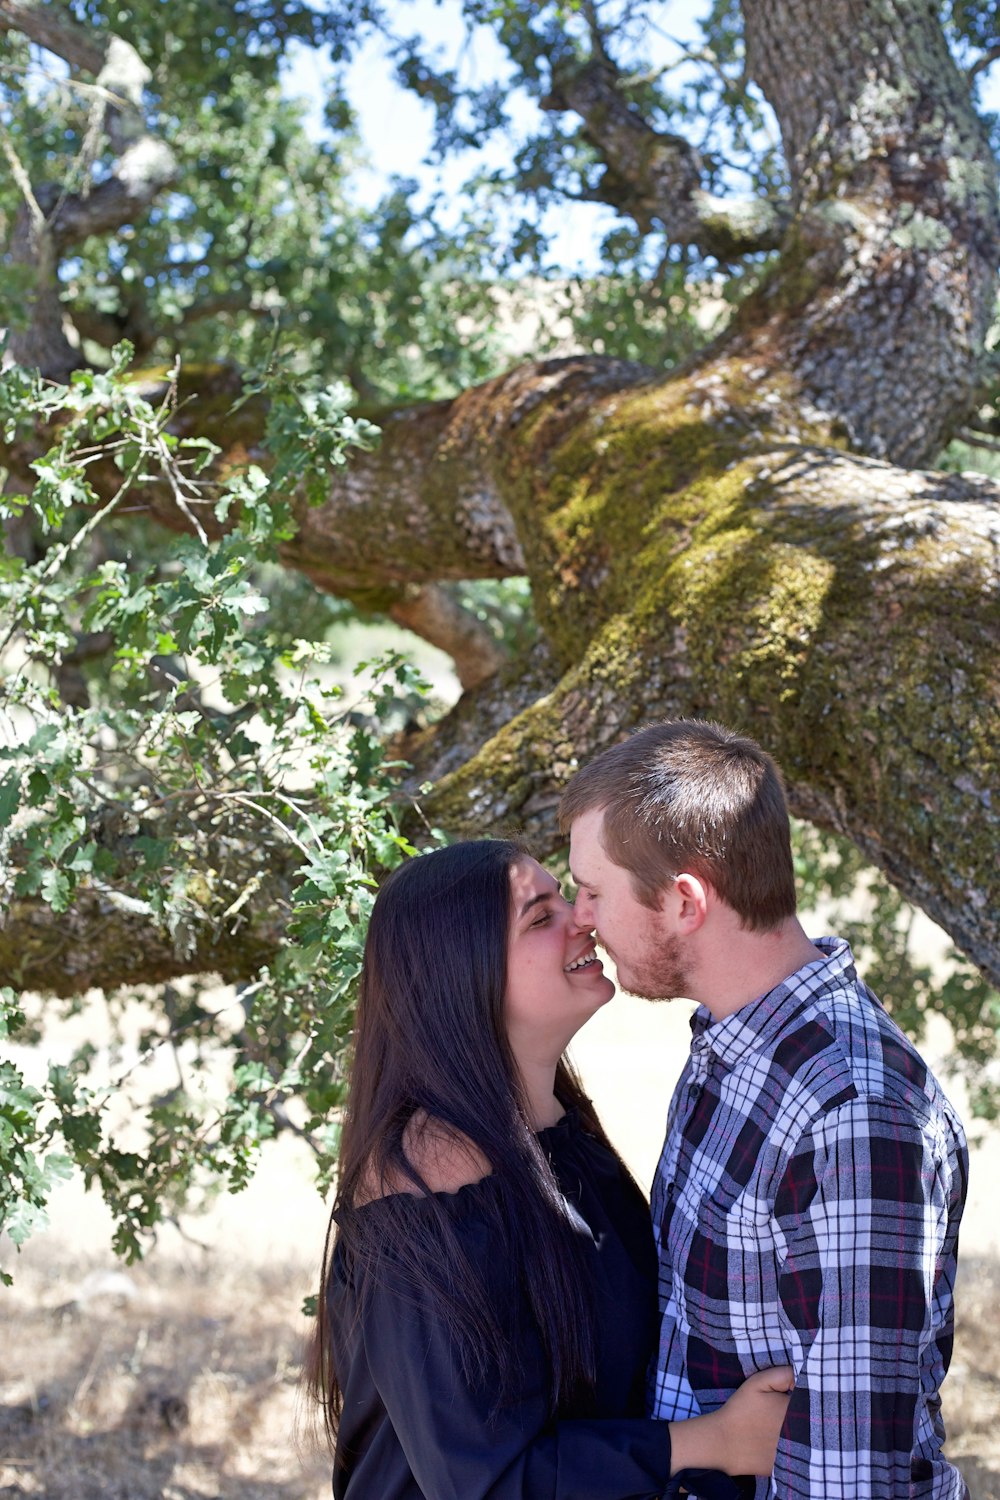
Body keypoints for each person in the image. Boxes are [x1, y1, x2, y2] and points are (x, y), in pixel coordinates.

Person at [560, 718, 969, 1500]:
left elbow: (853, 1478)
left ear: (684, 902)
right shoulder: (730, 1043)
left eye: (593, 891)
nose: (581, 917)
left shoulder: (851, 1113)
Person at [310, 838, 793, 1499]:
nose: (582, 919)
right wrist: (721, 1442)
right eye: (540, 917)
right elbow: (486, 1479)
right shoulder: (424, 1181)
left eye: (565, 897)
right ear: (462, 974)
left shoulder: (558, 1136)